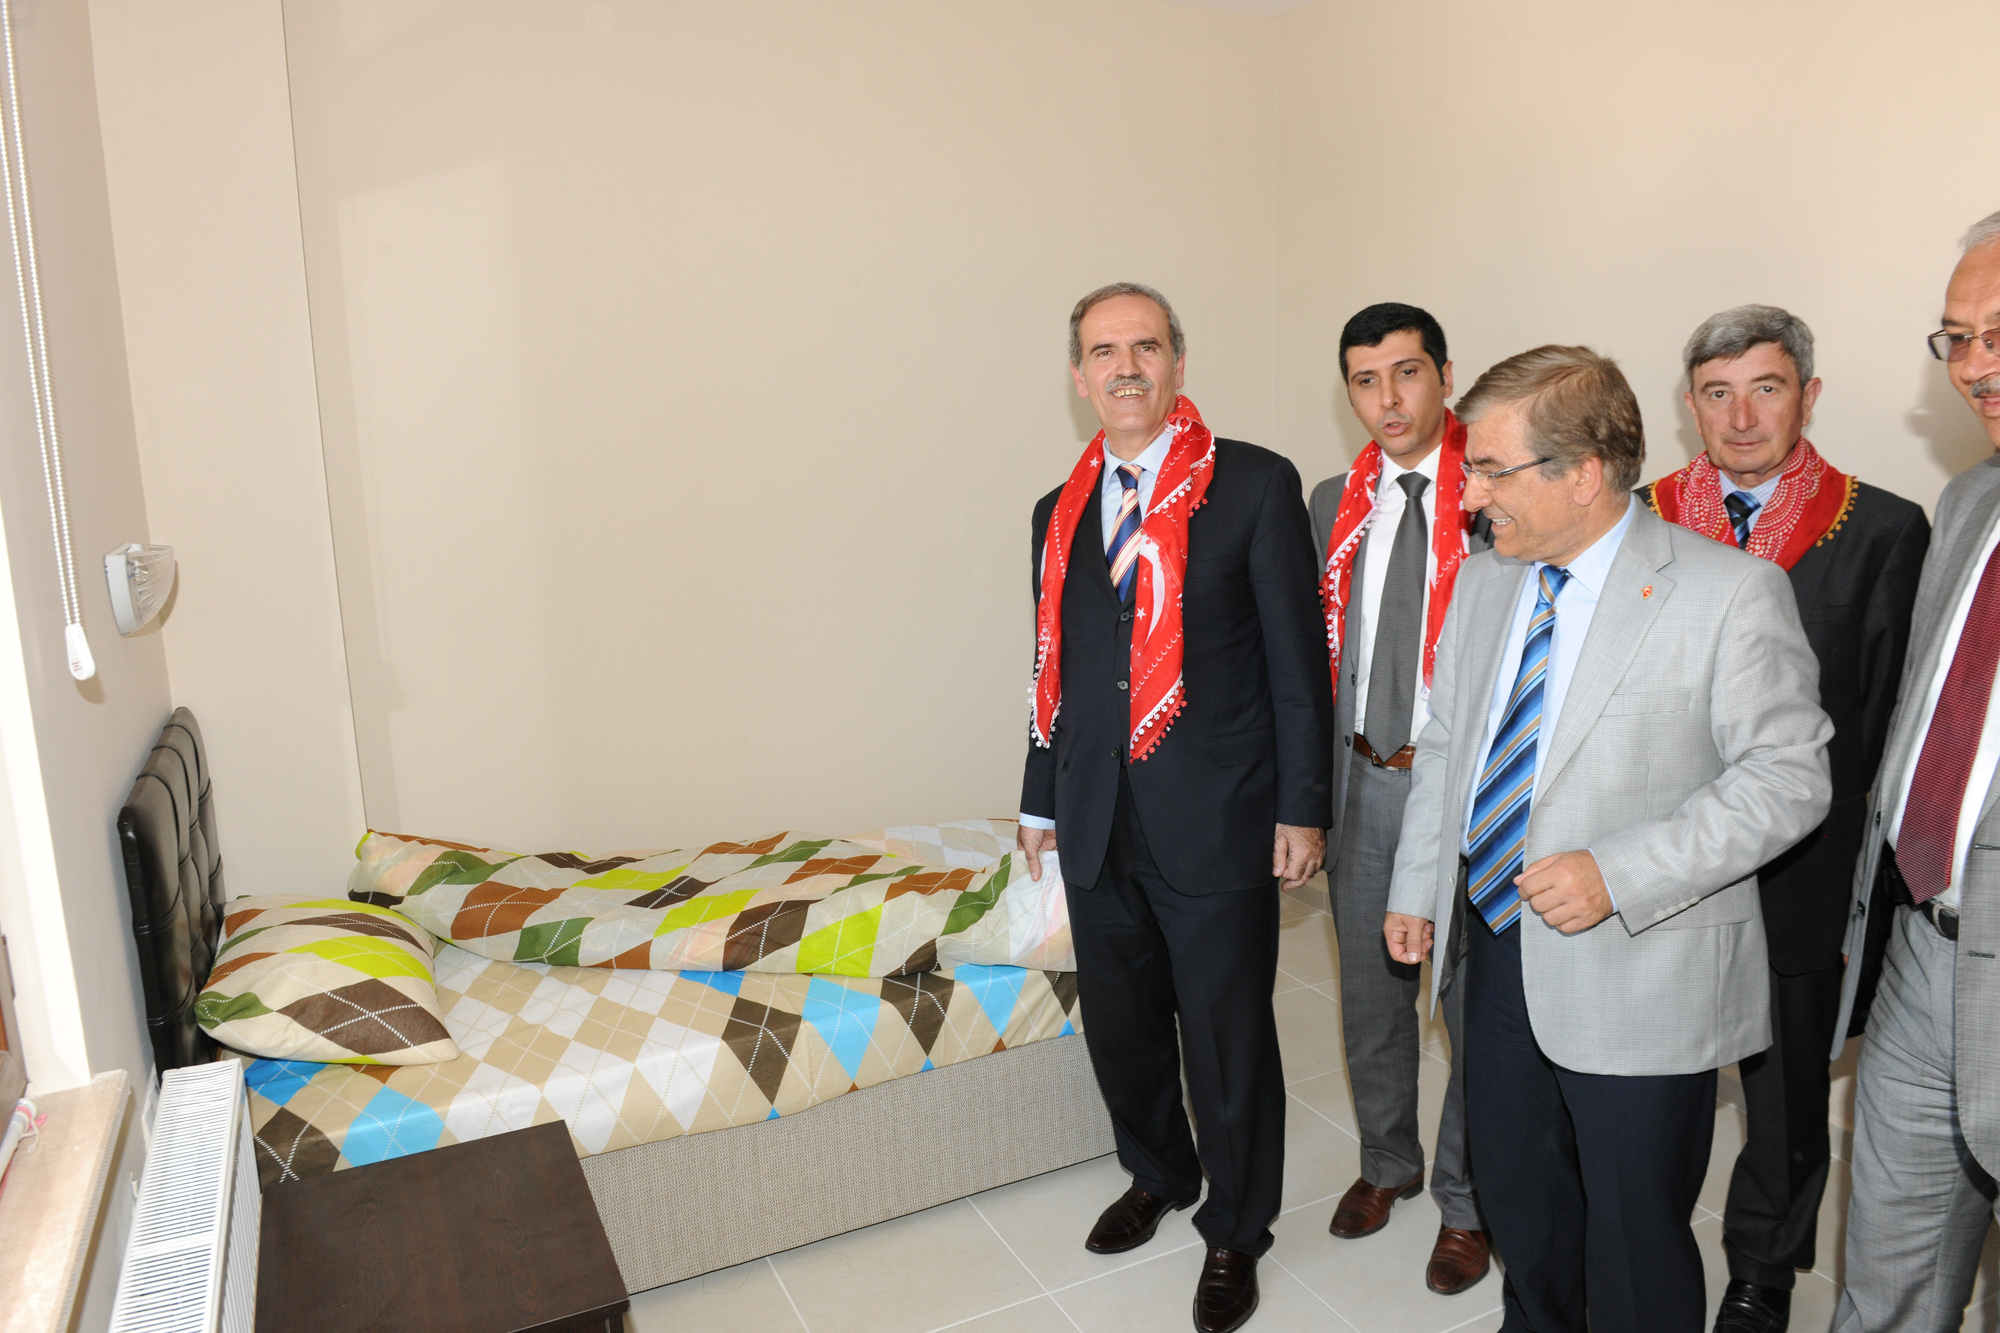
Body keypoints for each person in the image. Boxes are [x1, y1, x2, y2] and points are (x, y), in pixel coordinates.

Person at [1383, 345, 1833, 1333]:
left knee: (1632, 1240)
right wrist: (1416, 885)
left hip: (1639, 966)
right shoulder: (1486, 581)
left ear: (1582, 473)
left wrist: (1616, 871)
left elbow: (1789, 778)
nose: (1470, 492)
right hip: (1496, 953)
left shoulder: (1727, 592)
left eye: (1490, 469)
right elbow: (1451, 743)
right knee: (1522, 1202)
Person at [1017, 282, 1334, 1333]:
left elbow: (1297, 666)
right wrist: (1038, 800)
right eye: (1103, 351)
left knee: (1226, 1039)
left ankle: (1237, 1229)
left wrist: (1302, 808)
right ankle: (1159, 1169)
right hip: (1095, 813)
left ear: (1177, 362)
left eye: (1144, 346)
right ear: (1079, 376)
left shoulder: (1252, 484)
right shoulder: (1055, 512)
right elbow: (1053, 673)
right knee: (1123, 1026)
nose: (1125, 367)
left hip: (1217, 814)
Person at [1639, 306, 1928, 1333]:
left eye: (1765, 388)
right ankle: (1642, 1239)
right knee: (1656, 1069)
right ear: (1689, 406)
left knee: (1785, 1084)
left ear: (1808, 395)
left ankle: (1762, 1266)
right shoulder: (1643, 517)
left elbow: (1886, 714)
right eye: (1717, 393)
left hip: (1802, 861)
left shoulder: (1881, 527)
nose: (1740, 415)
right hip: (1664, 852)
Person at [1832, 209, 2000, 1333]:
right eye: (1957, 338)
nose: (1975, 364)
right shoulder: (1967, 500)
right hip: (1922, 948)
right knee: (1883, 1281)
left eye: (1999, 332)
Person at [1308, 303, 1491, 1293]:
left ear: (1444, 376)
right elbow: (1311, 661)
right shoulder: (1332, 502)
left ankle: (1467, 1202)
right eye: (1365, 379)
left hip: (1464, 786)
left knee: (1467, 1004)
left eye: (1406, 372)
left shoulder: (1496, 489)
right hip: (1365, 776)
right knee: (1372, 995)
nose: (1387, 397)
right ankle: (1387, 1162)